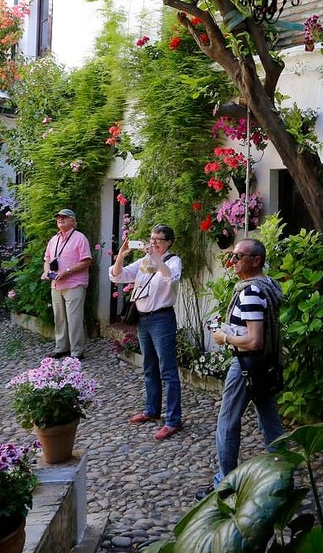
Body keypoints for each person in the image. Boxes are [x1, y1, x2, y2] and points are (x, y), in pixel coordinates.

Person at [195, 238, 285, 500]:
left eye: (238, 257)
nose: (231, 262)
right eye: (232, 256)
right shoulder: (268, 285)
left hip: (247, 363)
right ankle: (282, 476)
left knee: (227, 423)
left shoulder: (250, 292)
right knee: (270, 421)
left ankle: (225, 483)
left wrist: (226, 338)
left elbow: (254, 339)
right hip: (265, 363)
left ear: (256, 261)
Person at [109, 224, 184, 441]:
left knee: (168, 370)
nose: (153, 243)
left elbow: (170, 277)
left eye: (158, 239)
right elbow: (118, 276)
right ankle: (152, 410)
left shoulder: (173, 260)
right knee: (149, 366)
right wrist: (121, 256)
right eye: (151, 239)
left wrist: (156, 257)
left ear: (168, 242)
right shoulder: (144, 261)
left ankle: (173, 420)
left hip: (162, 318)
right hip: (143, 319)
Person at [42, 208, 93, 361]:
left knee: (74, 318)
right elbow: (47, 259)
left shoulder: (80, 238)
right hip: (56, 284)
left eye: (64, 217)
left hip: (74, 283)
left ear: (73, 220)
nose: (60, 219)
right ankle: (61, 348)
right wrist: (46, 272)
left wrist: (68, 271)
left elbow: (87, 261)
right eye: (58, 217)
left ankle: (77, 351)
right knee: (59, 318)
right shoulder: (54, 239)